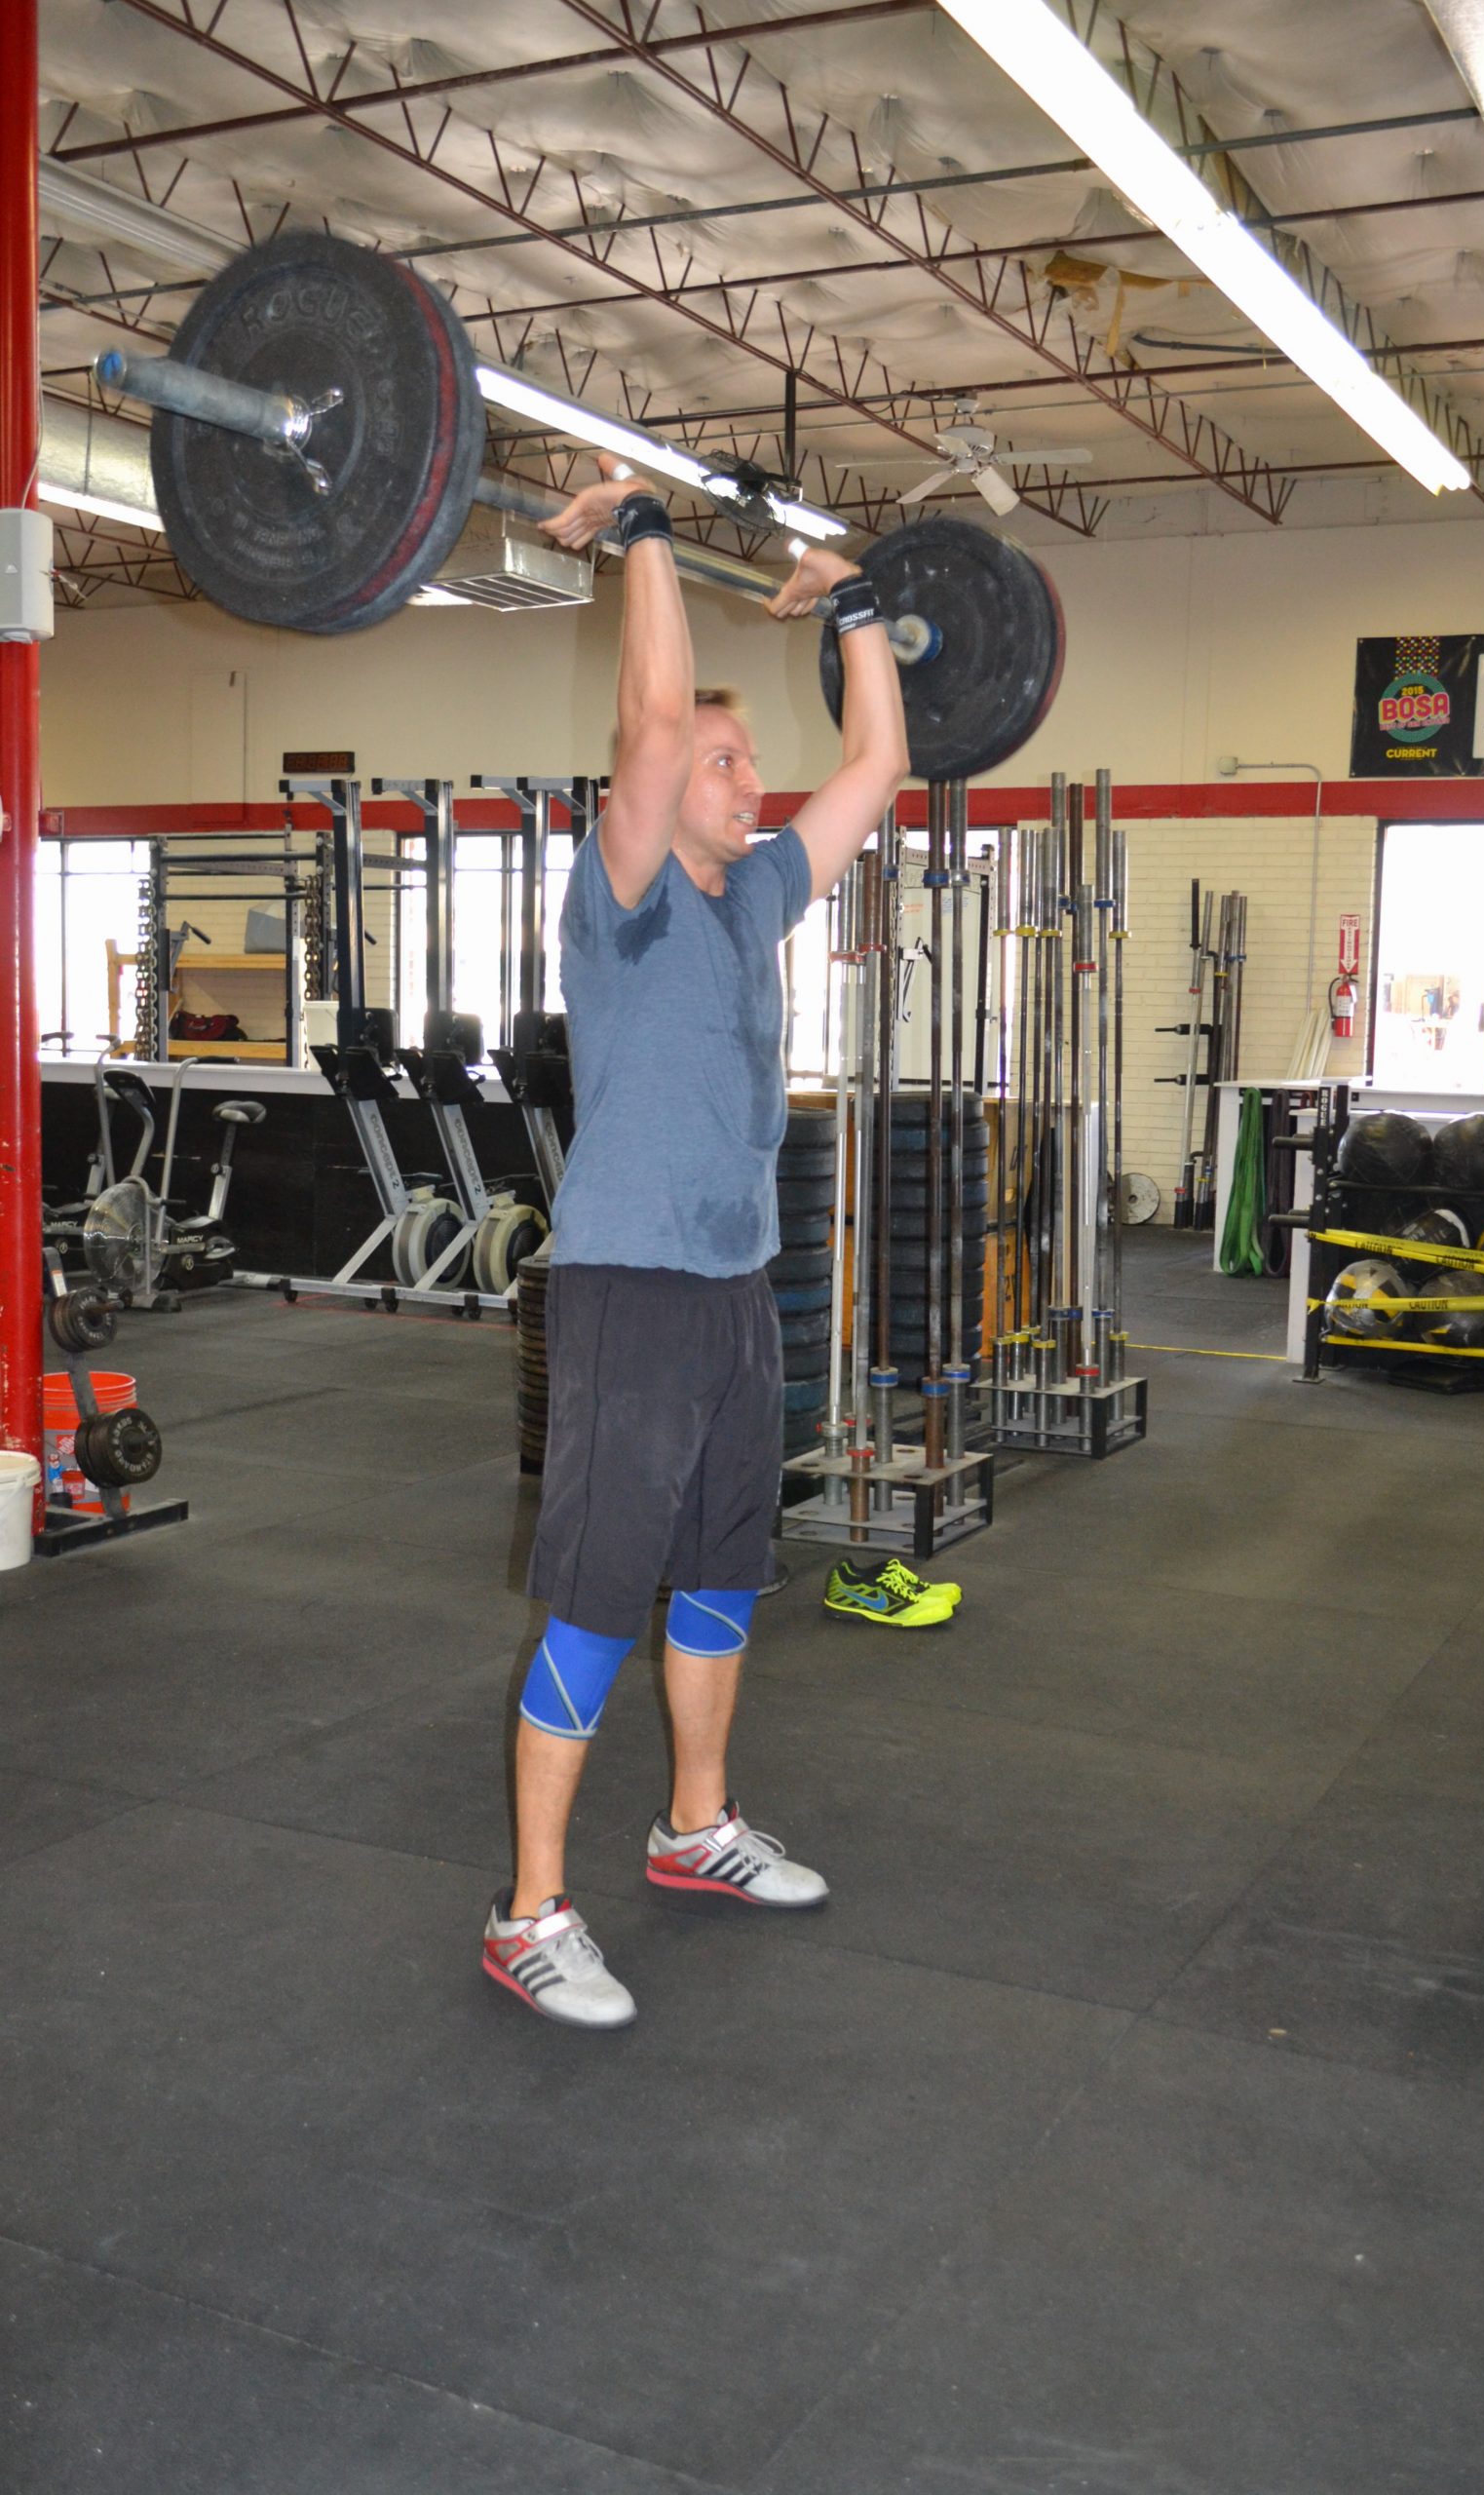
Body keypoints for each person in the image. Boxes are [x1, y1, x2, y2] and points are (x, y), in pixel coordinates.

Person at [482, 457, 909, 2031]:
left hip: (734, 1290)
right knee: (600, 1598)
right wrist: (647, 536)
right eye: (729, 762)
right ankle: (530, 1912)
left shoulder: (753, 899)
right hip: (630, 1291)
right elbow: (654, 727)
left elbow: (878, 762)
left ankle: (694, 1827)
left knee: (725, 1572)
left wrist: (856, 605)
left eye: (749, 764)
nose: (749, 781)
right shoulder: (629, 897)